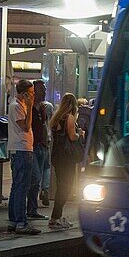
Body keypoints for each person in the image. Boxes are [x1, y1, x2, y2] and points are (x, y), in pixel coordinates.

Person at [7, 79, 40, 235]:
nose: (33, 95)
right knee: (22, 187)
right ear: (25, 93)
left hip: (21, 149)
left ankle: (14, 219)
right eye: (32, 93)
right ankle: (21, 221)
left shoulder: (18, 105)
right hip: (21, 150)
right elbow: (26, 127)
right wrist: (31, 107)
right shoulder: (17, 106)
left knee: (17, 186)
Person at [49, 92, 84, 230]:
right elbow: (72, 136)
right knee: (66, 188)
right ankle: (55, 218)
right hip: (67, 158)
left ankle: (56, 217)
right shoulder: (69, 118)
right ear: (73, 105)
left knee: (61, 187)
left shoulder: (56, 117)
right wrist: (80, 133)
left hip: (57, 156)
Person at [28, 80, 52, 215]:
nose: (44, 92)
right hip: (33, 146)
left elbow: (44, 126)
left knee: (38, 177)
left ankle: (33, 209)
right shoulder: (29, 108)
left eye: (44, 89)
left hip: (43, 145)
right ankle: (30, 208)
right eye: (42, 89)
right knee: (35, 177)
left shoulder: (42, 108)